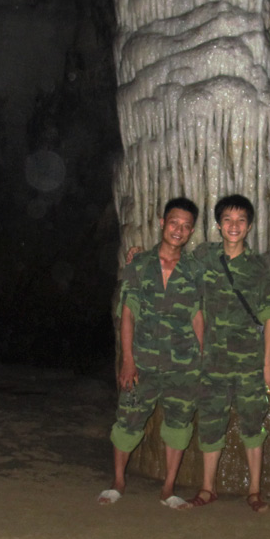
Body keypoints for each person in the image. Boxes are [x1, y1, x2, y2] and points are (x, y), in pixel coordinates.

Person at [97, 197, 204, 509]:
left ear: (191, 231)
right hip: (142, 361)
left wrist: (203, 361)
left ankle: (168, 489)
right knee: (128, 419)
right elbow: (128, 314)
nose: (178, 230)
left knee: (179, 424)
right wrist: (128, 360)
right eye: (174, 223)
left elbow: (198, 317)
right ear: (162, 223)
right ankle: (118, 481)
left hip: (183, 364)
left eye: (185, 226)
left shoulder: (195, 271)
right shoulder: (139, 265)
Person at [187, 194, 270, 513]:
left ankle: (254, 491)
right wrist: (139, 254)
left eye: (241, 220)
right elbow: (172, 262)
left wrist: (268, 365)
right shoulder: (204, 257)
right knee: (211, 422)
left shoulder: (259, 267)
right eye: (228, 219)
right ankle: (207, 488)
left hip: (250, 362)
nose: (234, 225)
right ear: (218, 224)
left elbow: (269, 316)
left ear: (249, 226)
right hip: (213, 361)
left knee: (253, 424)